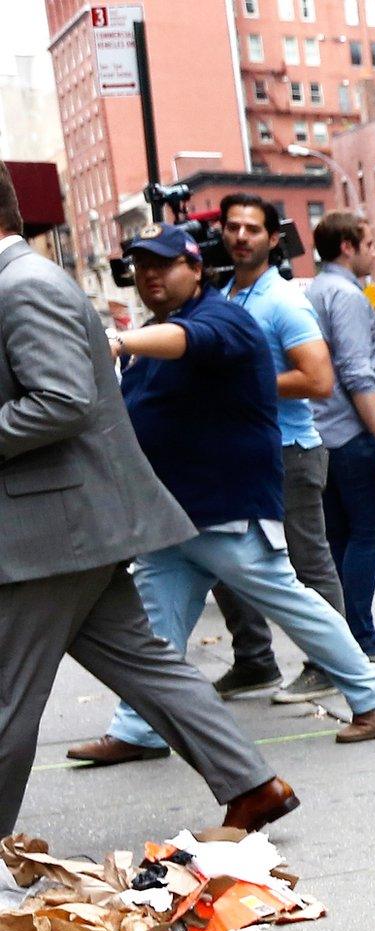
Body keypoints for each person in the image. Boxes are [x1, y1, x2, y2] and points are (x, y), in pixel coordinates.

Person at [0, 177, 296, 835]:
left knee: (6, 698)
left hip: (51, 532)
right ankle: (251, 783)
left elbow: (63, 401)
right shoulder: (26, 283)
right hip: (68, 526)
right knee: (147, 662)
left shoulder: (23, 287)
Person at [61, 224, 375, 772]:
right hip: (174, 511)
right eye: (142, 266)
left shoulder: (220, 319)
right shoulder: (162, 333)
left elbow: (190, 343)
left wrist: (119, 340)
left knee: (284, 595)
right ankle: (138, 727)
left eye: (164, 263)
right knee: (156, 624)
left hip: (225, 503)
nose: (151, 274)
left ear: (196, 269)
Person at [204, 193, 347, 709]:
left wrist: (245, 383)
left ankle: (328, 666)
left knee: (309, 563)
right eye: (233, 227)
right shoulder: (224, 296)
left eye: (253, 229)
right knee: (220, 559)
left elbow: (319, 378)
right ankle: (254, 661)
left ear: (272, 239)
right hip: (238, 454)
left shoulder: (283, 300)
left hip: (290, 450)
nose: (241, 236)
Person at [303, 211, 375, 663]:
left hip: (324, 433)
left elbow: (337, 371)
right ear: (347, 247)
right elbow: (354, 372)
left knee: (339, 539)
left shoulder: (315, 291)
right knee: (368, 533)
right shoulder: (346, 295)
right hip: (350, 437)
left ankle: (343, 636)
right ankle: (360, 635)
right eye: (369, 243)